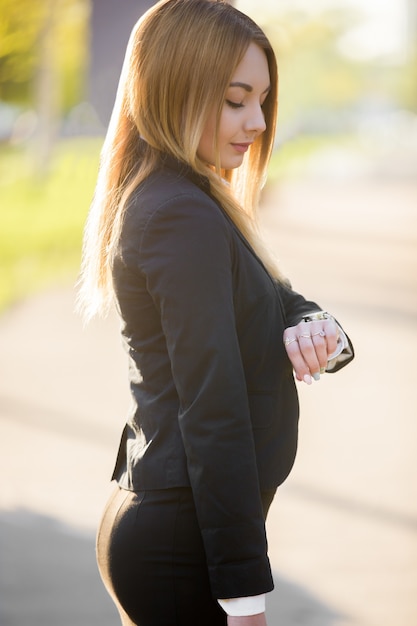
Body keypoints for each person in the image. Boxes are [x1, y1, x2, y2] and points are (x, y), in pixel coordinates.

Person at [78, 0, 354, 624]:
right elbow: (213, 404)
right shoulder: (179, 212)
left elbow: (278, 296)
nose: (257, 121)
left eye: (261, 99)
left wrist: (318, 328)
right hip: (182, 545)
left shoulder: (195, 197)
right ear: (176, 89)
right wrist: (244, 593)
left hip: (177, 530)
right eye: (236, 99)